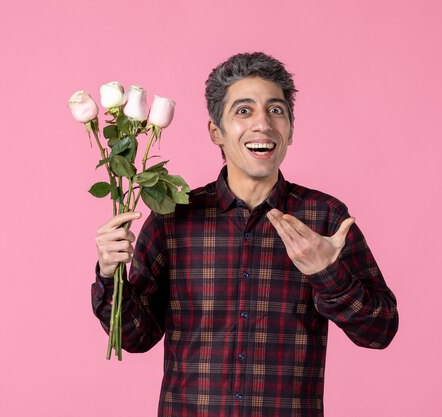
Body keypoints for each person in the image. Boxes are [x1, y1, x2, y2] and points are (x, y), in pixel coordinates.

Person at [92, 52, 398, 417]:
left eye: (276, 110)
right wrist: (111, 276)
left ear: (291, 129)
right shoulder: (172, 218)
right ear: (216, 132)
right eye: (243, 111)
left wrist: (325, 273)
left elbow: (379, 332)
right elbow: (135, 337)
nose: (263, 125)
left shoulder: (325, 217)